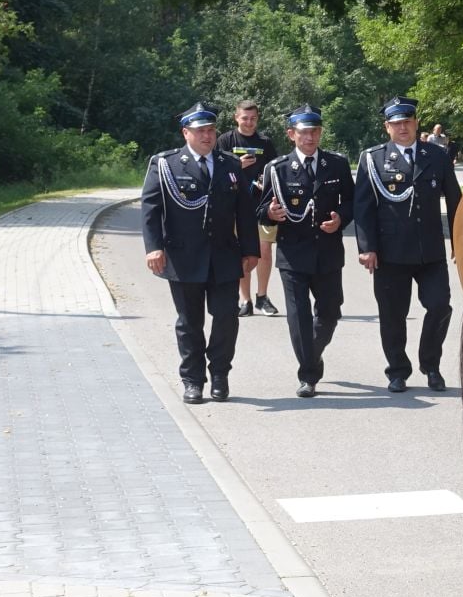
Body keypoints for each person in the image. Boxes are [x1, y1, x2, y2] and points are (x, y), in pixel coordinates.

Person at [141, 102, 260, 403]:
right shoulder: (165, 164)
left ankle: (220, 373)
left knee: (226, 317)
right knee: (189, 322)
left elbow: (244, 212)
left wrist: (251, 250)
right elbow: (151, 209)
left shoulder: (230, 165)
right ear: (186, 133)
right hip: (184, 258)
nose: (207, 136)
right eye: (200, 131)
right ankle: (193, 380)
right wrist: (154, 247)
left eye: (210, 130)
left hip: (223, 256)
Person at [354, 96, 463, 392]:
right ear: (387, 127)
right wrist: (366, 247)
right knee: (393, 315)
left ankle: (431, 364)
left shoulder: (437, 156)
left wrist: (460, 242)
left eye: (408, 121)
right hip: (390, 253)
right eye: (396, 123)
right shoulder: (374, 159)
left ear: (416, 123)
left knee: (441, 306)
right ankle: (397, 370)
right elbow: (363, 208)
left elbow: (455, 201)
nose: (403, 127)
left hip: (430, 251)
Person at [262, 106, 353, 397]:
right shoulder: (277, 168)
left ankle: (311, 353)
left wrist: (341, 218)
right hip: (293, 254)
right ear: (292, 135)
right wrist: (270, 214)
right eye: (304, 132)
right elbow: (260, 208)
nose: (310, 137)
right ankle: (308, 375)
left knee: (330, 312)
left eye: (314, 131)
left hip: (327, 252)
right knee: (298, 316)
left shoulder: (336, 164)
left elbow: (352, 202)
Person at [219, 100, 281, 317]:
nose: (249, 122)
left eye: (253, 118)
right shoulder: (225, 140)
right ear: (236, 117)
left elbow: (275, 170)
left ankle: (262, 297)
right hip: (234, 206)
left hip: (261, 204)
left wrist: (266, 182)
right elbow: (215, 171)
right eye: (244, 118)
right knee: (242, 252)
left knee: (264, 250)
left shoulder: (265, 142)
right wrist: (237, 166)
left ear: (258, 118)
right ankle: (245, 300)